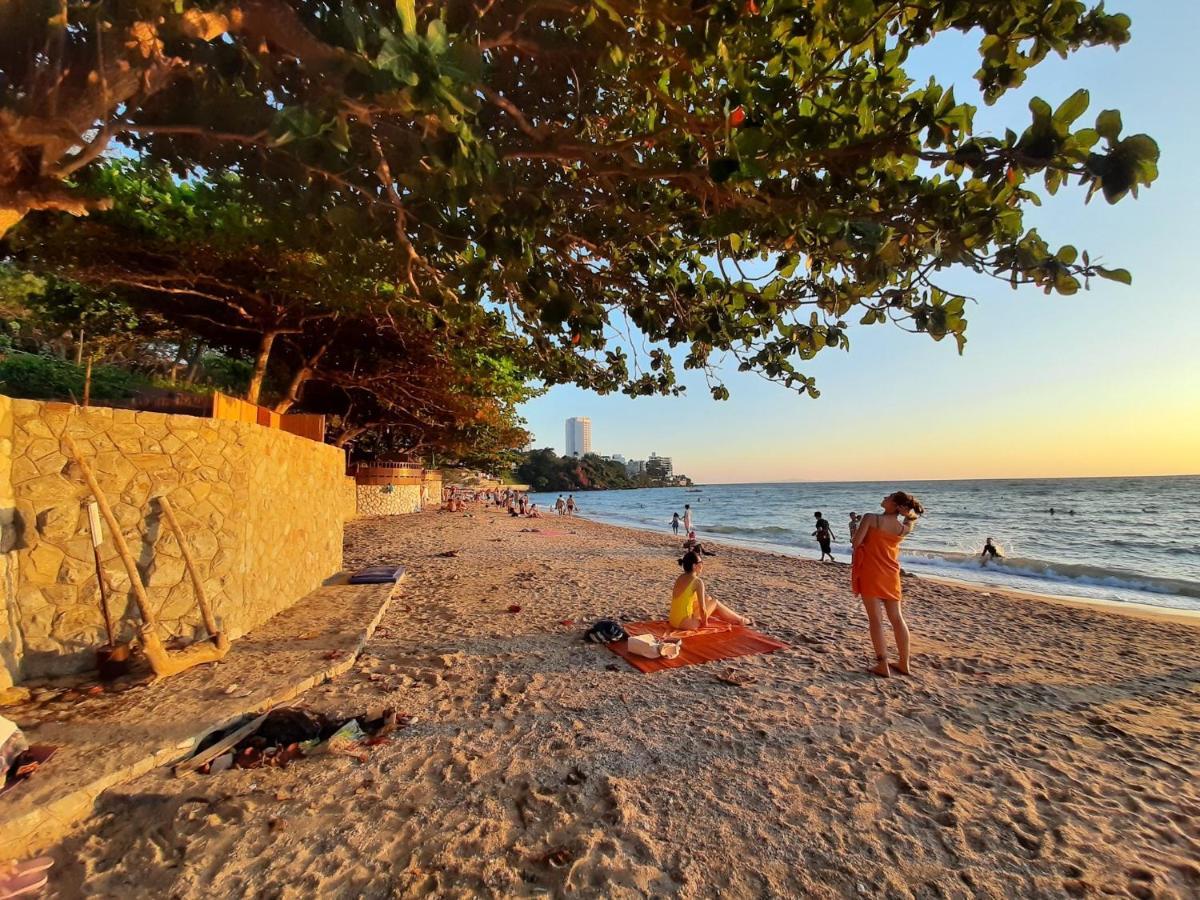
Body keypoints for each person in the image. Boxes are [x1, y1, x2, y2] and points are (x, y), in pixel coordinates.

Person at [851, 490, 925, 677]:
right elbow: (911, 520)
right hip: (892, 574)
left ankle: (882, 665)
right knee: (897, 619)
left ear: (894, 505)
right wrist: (908, 515)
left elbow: (856, 542)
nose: (884, 497)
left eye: (889, 497)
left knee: (876, 620)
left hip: (871, 573)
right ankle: (903, 663)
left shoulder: (871, 518)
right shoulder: (903, 528)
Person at [669, 550, 749, 629]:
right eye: (701, 563)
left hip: (673, 621)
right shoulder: (697, 581)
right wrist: (705, 623)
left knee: (708, 598)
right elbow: (703, 609)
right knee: (715, 602)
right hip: (685, 624)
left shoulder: (681, 577)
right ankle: (741, 620)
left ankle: (734, 619)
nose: (702, 565)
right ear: (694, 566)